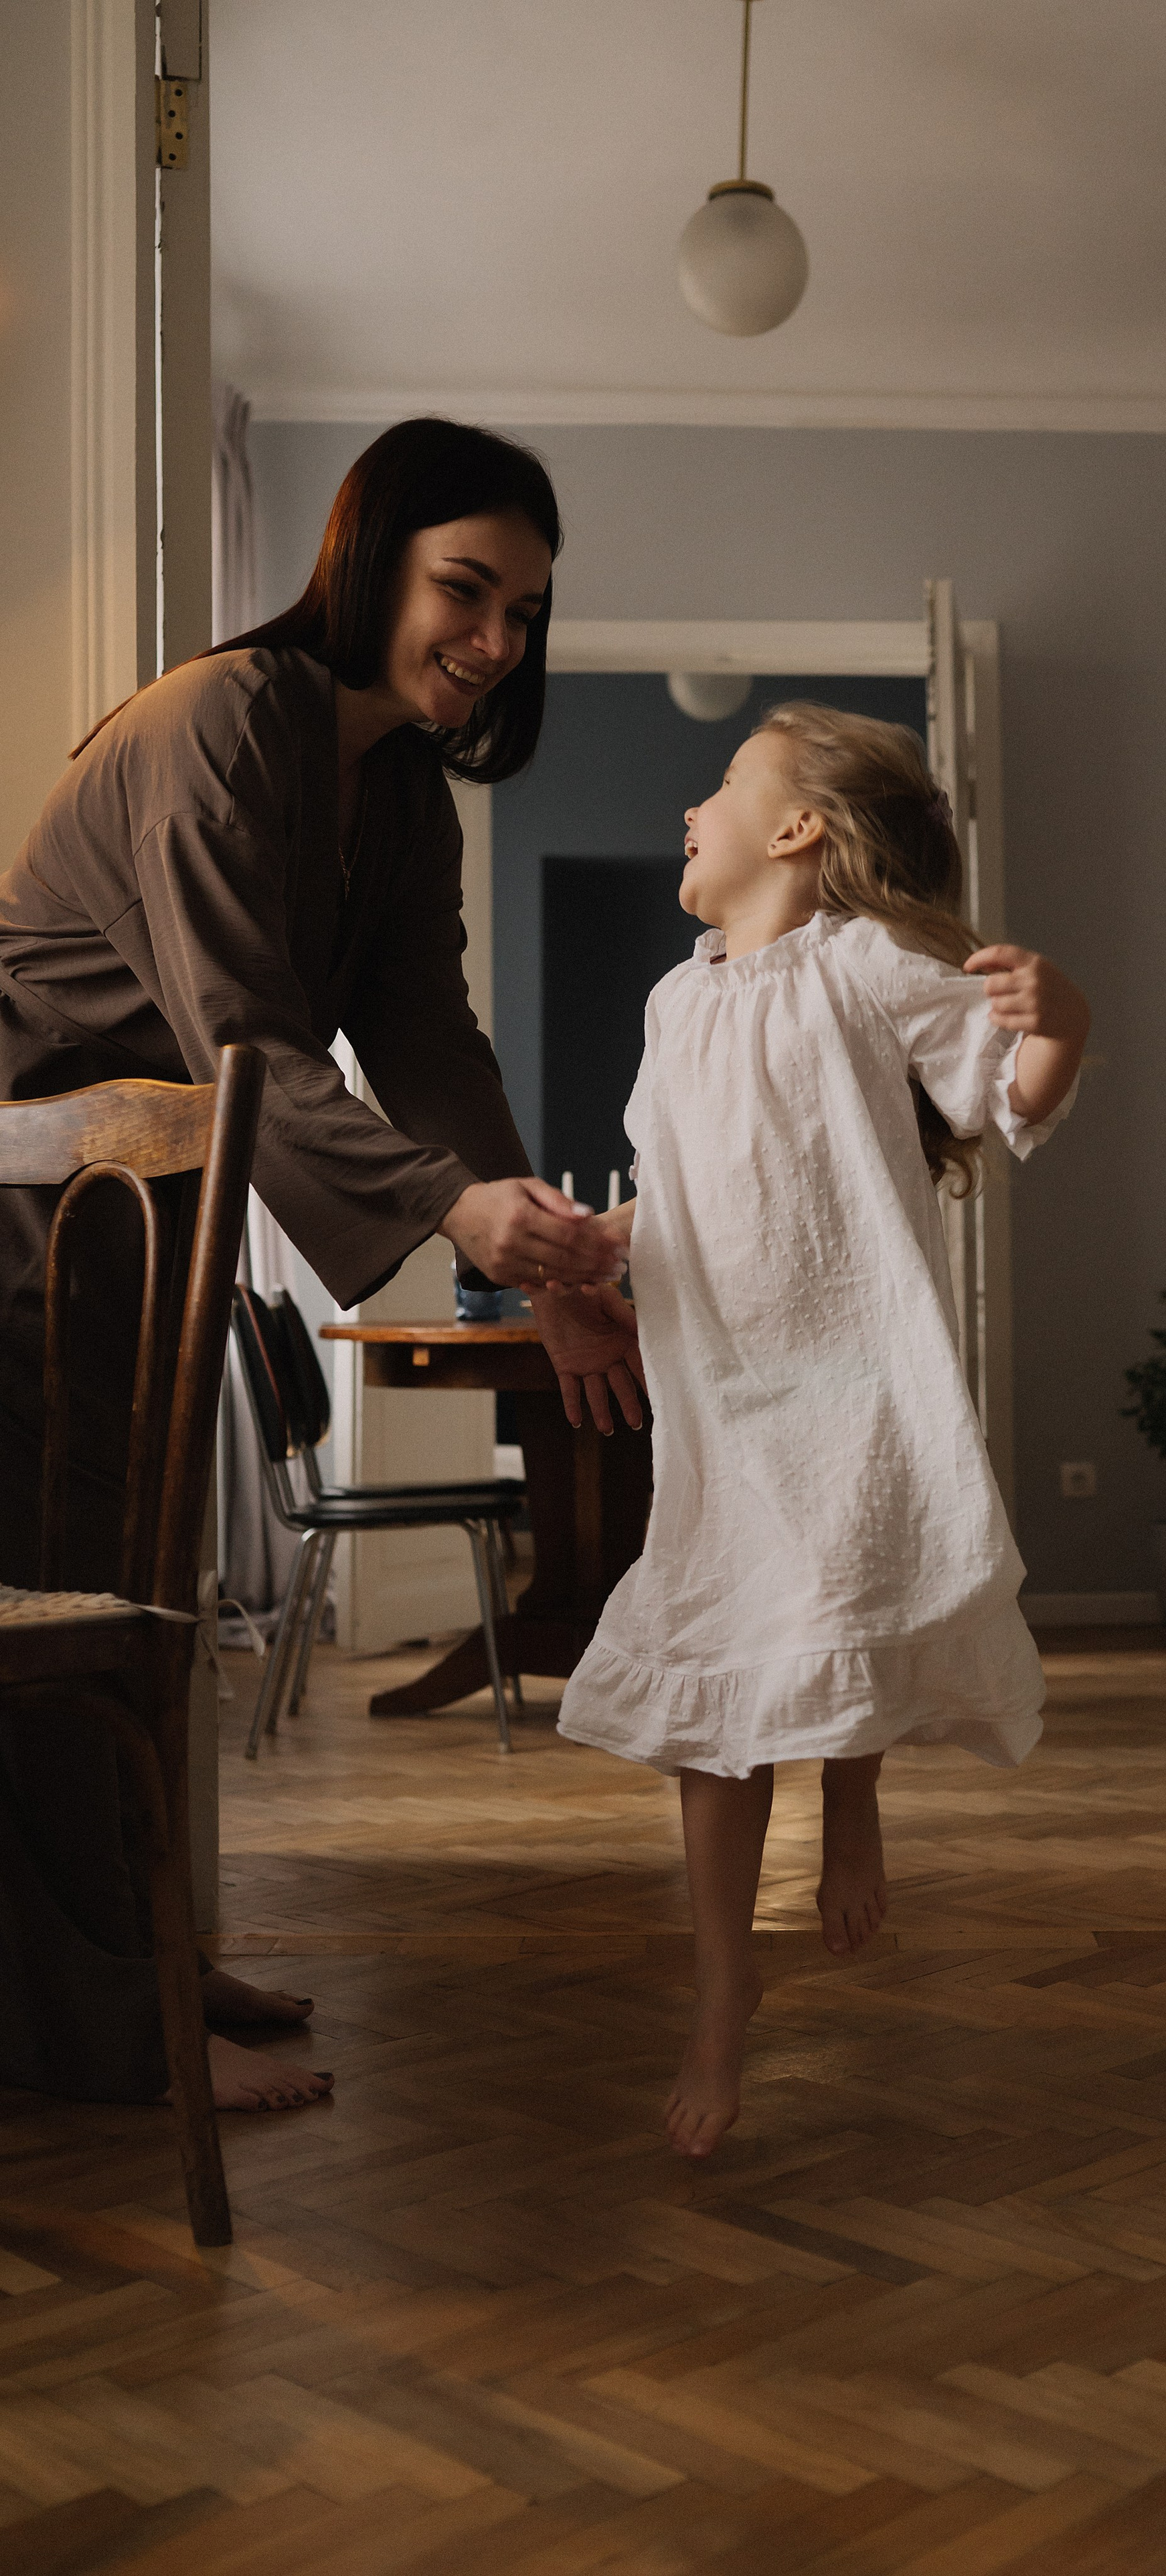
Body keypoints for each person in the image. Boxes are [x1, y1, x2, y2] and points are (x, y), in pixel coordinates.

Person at [0, 418, 638, 2113]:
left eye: (524, 611)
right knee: (57, 1614)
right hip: (23, 1219)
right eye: (466, 588)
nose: (495, 640)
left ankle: (148, 1964)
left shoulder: (397, 791)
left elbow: (423, 1030)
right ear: (367, 560)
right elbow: (244, 1038)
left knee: (132, 1611)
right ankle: (103, 2032)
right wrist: (453, 1212)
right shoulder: (218, 719)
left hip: (138, 1224)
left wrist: (539, 1255)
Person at [551, 702, 1089, 2158]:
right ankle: (724, 1988)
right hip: (721, 1403)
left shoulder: (861, 965)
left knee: (843, 1598)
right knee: (721, 1688)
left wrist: (1063, 1025)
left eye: (721, 787)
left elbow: (1001, 1098)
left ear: (795, 831)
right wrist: (591, 1246)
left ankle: (851, 1798)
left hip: (844, 1369)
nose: (687, 810)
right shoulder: (673, 1004)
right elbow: (677, 1192)